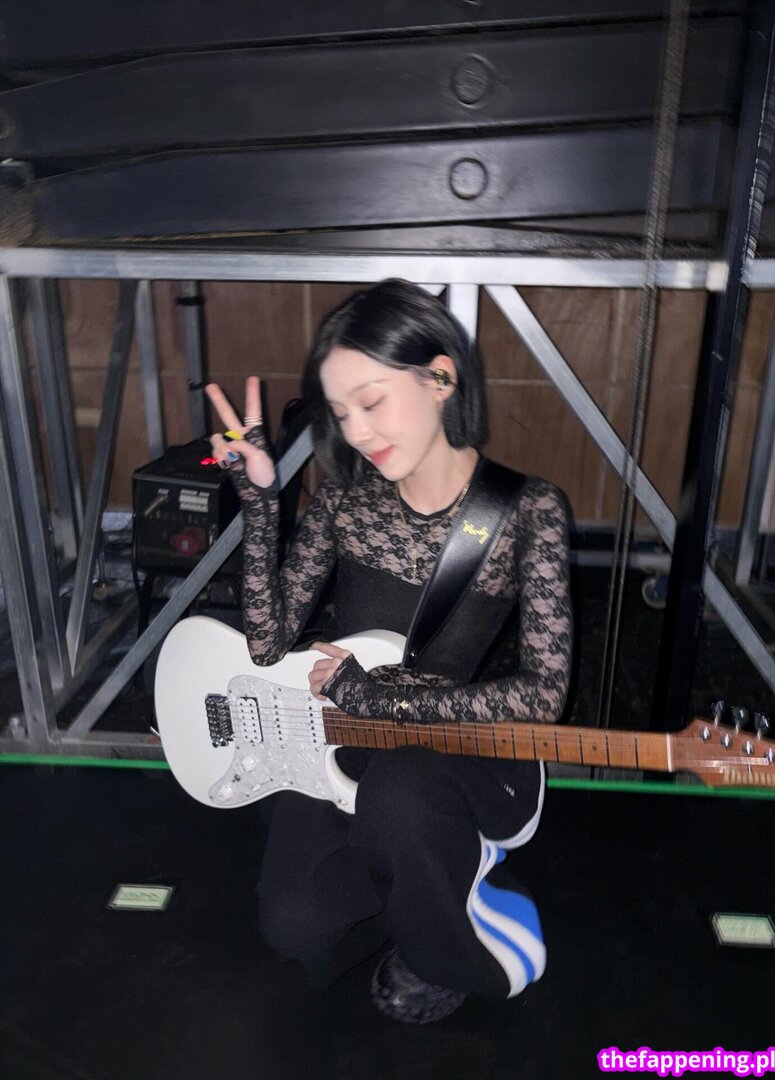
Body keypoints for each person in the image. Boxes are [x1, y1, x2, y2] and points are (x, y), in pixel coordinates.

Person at [205, 279, 572, 1024]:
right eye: (341, 414)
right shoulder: (344, 500)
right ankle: (427, 877)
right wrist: (261, 504)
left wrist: (383, 698)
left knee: (398, 802)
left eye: (371, 402)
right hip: (345, 737)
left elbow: (543, 694)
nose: (358, 432)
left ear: (440, 378)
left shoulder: (525, 508)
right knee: (294, 923)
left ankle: (450, 931)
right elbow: (267, 644)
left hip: (457, 745)